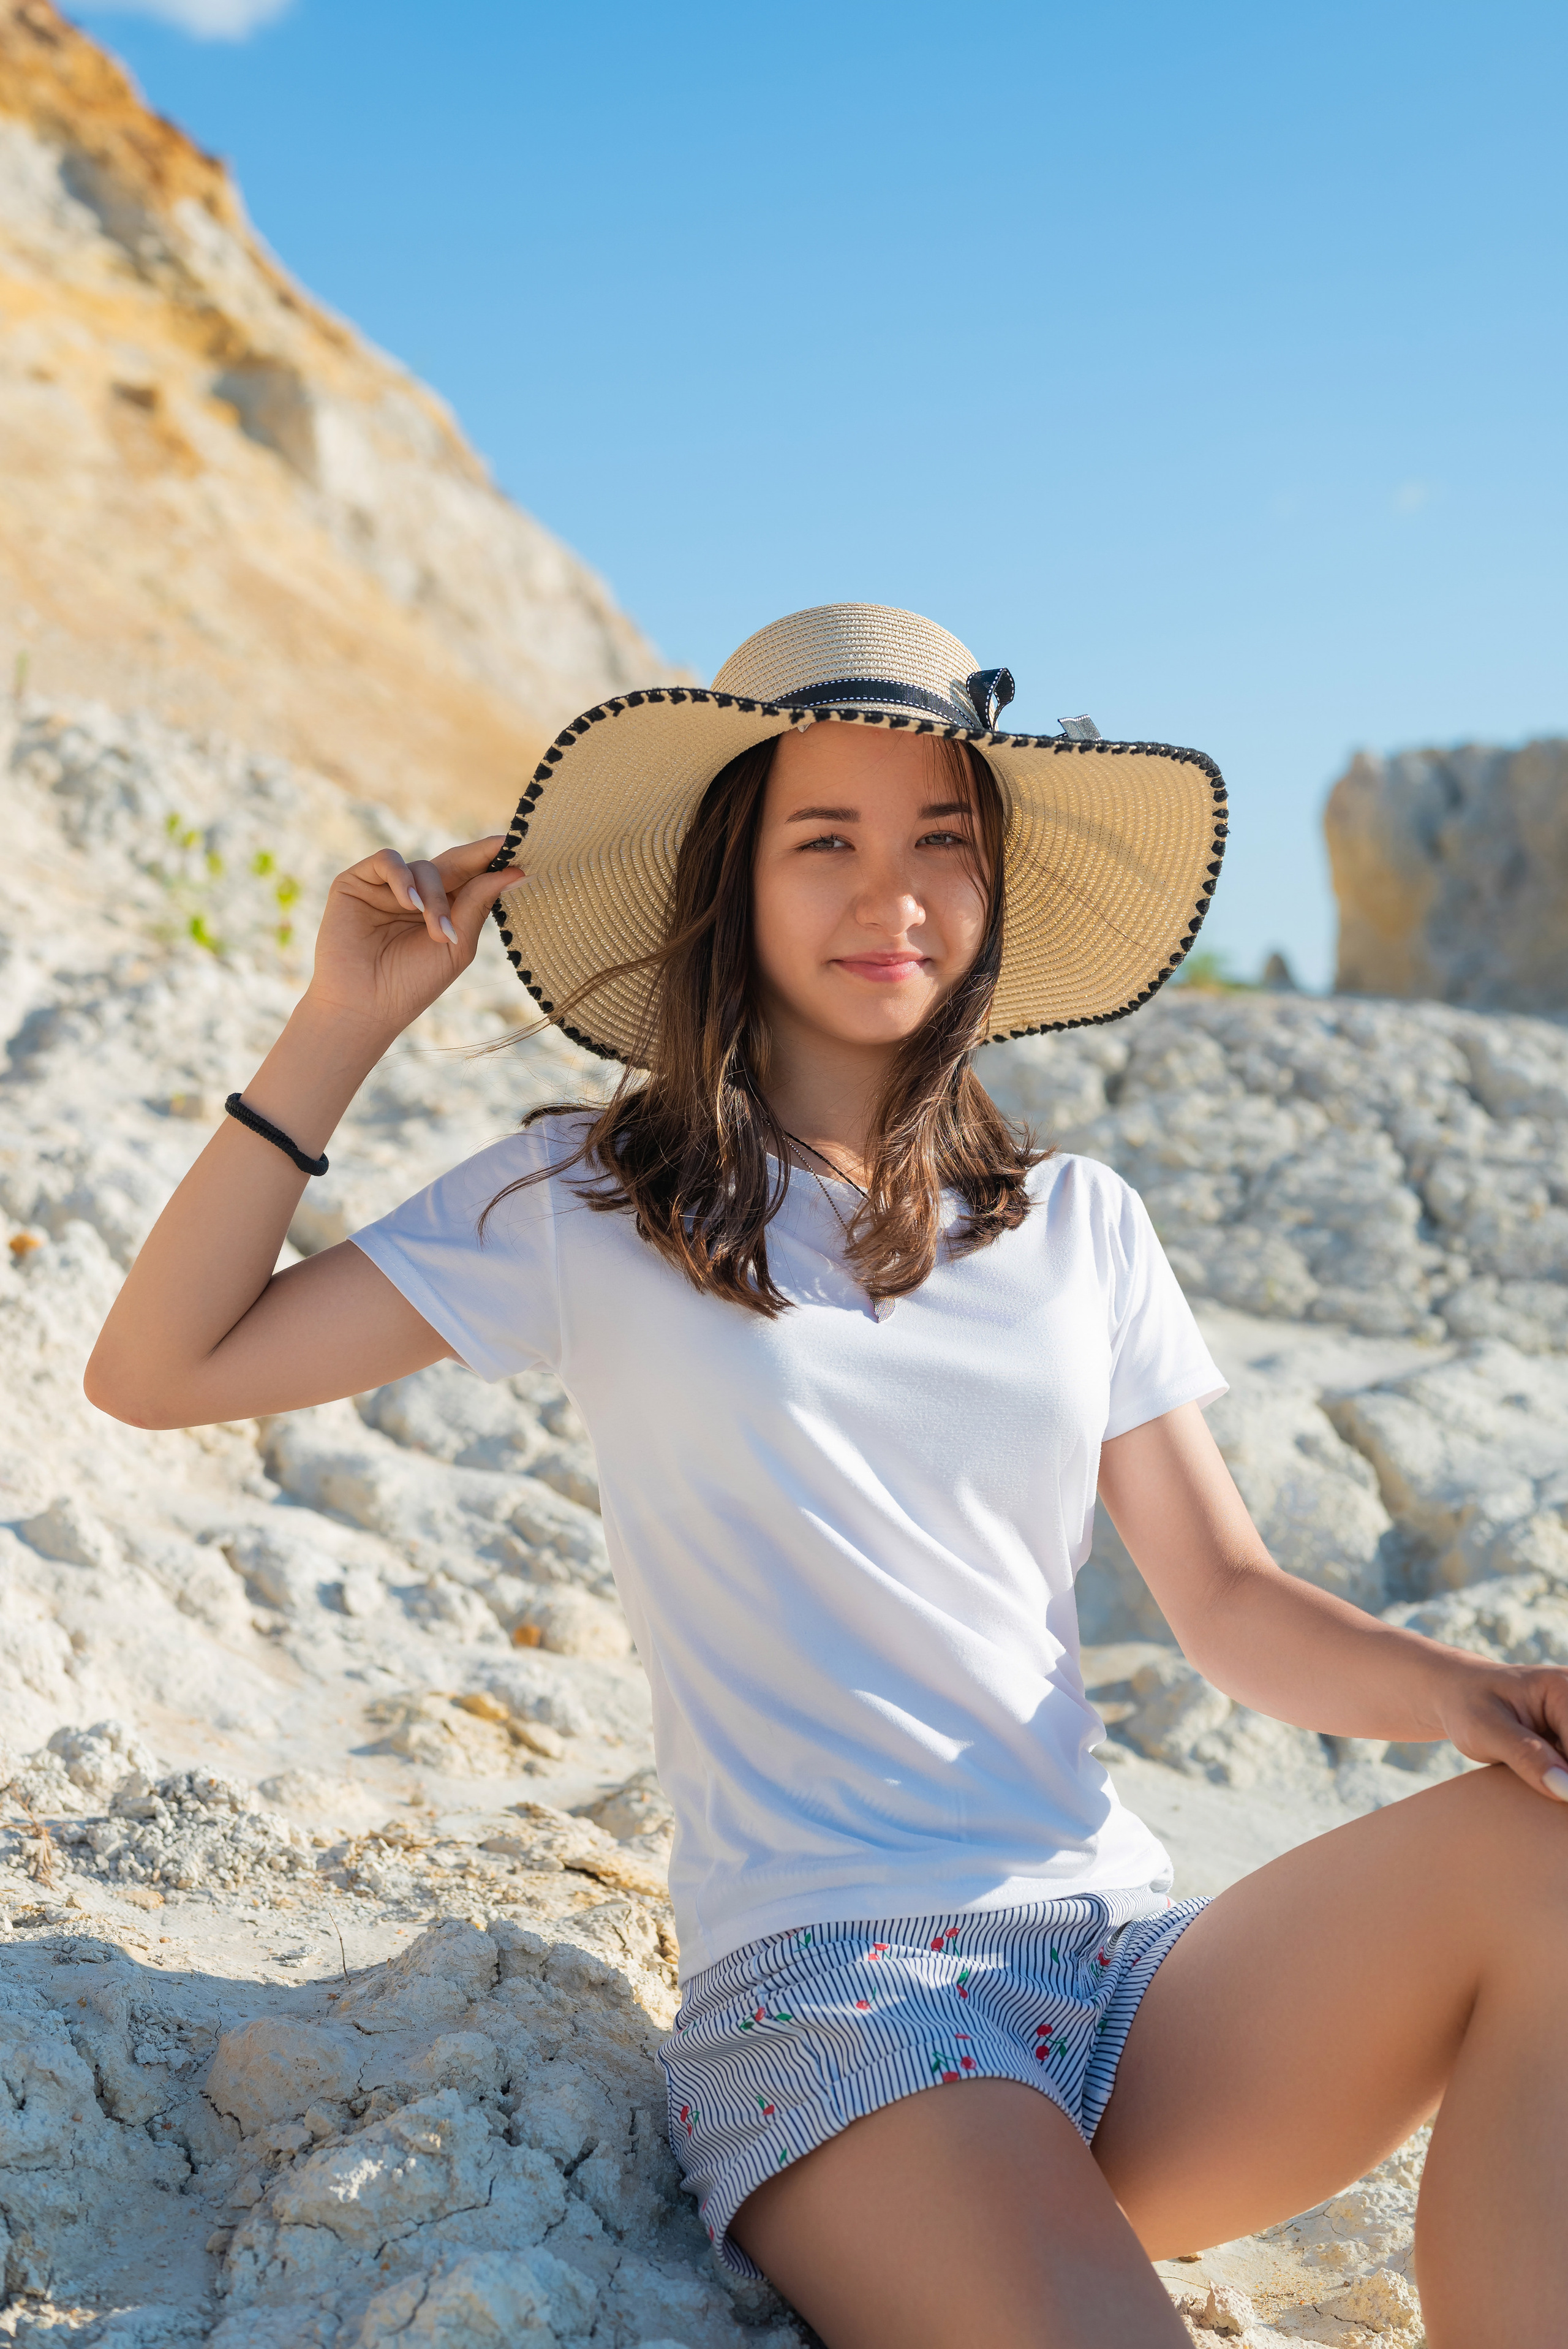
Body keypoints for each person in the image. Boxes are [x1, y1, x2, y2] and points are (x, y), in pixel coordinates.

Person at [87, 604, 1568, 2349]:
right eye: (829, 842)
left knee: (1545, 1857)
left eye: (944, 838)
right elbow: (158, 1369)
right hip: (838, 1995)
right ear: (737, 878)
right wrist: (340, 1023)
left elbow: (1230, 1605)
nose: (897, 895)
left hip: (1120, 1977)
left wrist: (1486, 1699)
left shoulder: (1080, 1223)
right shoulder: (594, 1197)